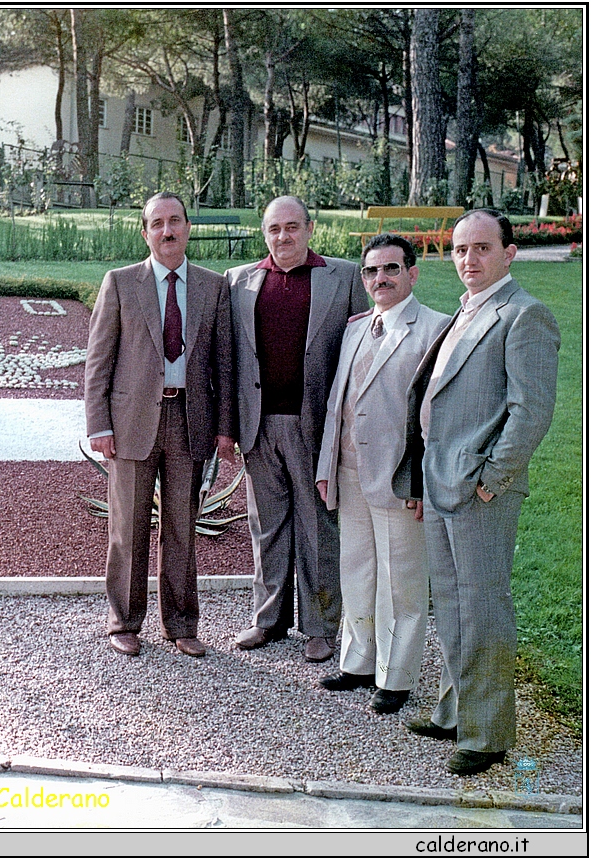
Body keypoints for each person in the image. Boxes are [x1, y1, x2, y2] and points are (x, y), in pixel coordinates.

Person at [393, 208, 559, 776]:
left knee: (484, 607)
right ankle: (453, 712)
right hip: (442, 483)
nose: (469, 260)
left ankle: (486, 736)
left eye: (482, 249)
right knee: (455, 606)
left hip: (480, 490)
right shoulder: (467, 309)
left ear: (509, 253)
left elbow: (530, 413)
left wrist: (492, 481)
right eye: (461, 249)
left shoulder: (524, 315)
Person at [85, 191, 236, 658]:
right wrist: (99, 425)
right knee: (127, 526)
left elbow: (224, 364)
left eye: (175, 221)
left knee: (181, 526)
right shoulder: (121, 283)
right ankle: (124, 621)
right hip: (131, 421)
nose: (167, 231)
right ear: (146, 231)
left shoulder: (214, 287)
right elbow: (99, 360)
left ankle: (181, 623)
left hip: (191, 420)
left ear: (188, 227)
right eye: (157, 223)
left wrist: (225, 427)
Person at [227, 195, 367, 662]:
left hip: (316, 426)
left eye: (292, 227)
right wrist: (229, 425)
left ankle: (321, 628)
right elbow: (229, 362)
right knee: (266, 527)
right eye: (274, 229)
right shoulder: (241, 281)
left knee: (317, 527)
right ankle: (267, 621)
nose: (283, 237)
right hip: (259, 425)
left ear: (309, 229)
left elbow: (361, 351)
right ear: (264, 233)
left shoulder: (344, 276)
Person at [314, 234, 449, 713]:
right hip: (350, 471)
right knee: (357, 569)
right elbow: (338, 403)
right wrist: (327, 463)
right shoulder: (355, 328)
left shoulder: (434, 328)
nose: (380, 279)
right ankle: (359, 662)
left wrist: (420, 480)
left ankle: (396, 677)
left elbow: (434, 417)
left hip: (398, 477)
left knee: (401, 579)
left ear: (412, 273)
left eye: (390, 269)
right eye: (371, 271)